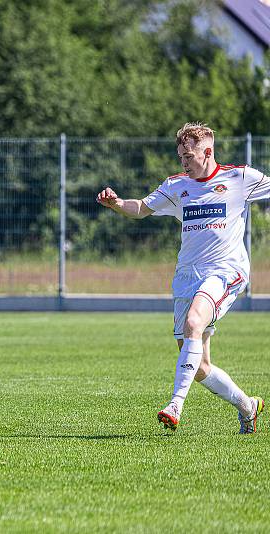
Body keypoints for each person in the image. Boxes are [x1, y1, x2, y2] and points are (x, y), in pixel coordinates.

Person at [97, 122, 267, 433]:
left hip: (225, 270)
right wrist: (118, 204)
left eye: (187, 156)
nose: (183, 162)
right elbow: (142, 208)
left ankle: (175, 404)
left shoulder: (239, 178)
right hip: (187, 275)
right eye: (180, 157)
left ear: (207, 152)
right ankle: (247, 405)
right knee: (200, 367)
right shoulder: (177, 185)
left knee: (194, 322)